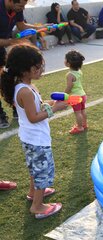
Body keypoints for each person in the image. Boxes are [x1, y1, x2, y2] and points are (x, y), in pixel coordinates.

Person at [0, 44, 67, 218]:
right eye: (37, 67)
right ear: (24, 70)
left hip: (30, 138)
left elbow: (34, 108)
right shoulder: (25, 91)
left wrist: (48, 103)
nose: (41, 70)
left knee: (34, 169)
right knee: (42, 172)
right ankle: (37, 206)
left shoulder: (25, 87)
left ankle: (32, 193)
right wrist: (56, 109)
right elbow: (34, 117)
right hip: (37, 139)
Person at [0, 0, 43, 127]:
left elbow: (22, 26)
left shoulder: (17, 9)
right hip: (4, 43)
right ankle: (0, 115)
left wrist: (40, 28)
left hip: (2, 47)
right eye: (21, 5)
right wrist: (15, 41)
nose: (23, 8)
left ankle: (16, 107)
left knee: (10, 76)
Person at [64, 50, 87, 134]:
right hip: (83, 95)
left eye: (65, 59)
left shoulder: (70, 75)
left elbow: (69, 87)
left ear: (68, 63)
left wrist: (64, 95)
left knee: (77, 113)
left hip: (75, 97)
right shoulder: (79, 71)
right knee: (83, 111)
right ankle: (84, 124)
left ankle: (80, 127)